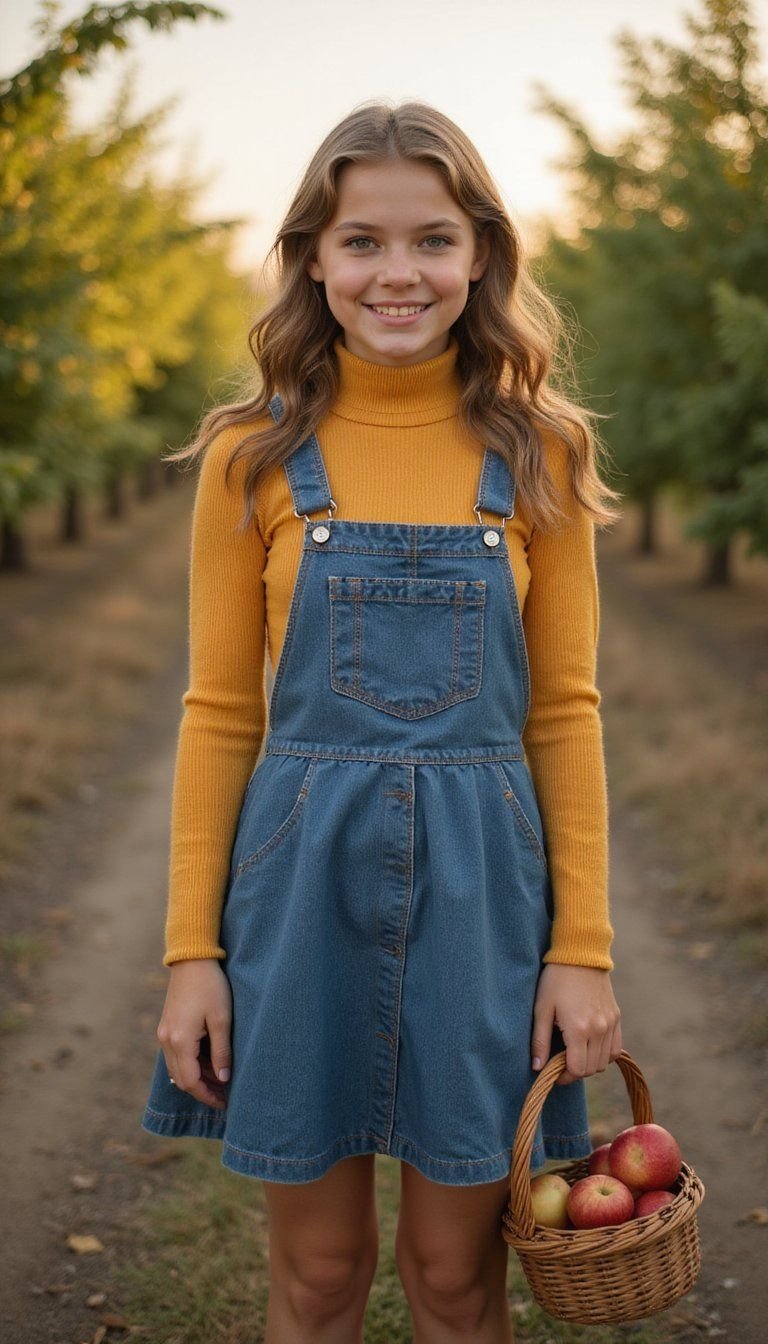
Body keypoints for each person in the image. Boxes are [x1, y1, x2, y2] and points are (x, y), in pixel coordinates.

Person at [142, 99, 624, 1344]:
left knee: (458, 1280)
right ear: (313, 255)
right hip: (298, 893)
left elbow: (565, 716)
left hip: (485, 904)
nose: (397, 273)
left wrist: (585, 950)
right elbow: (217, 714)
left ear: (480, 256)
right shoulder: (251, 458)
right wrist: (192, 952)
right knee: (317, 1279)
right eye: (362, 241)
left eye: (432, 241)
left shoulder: (542, 453)